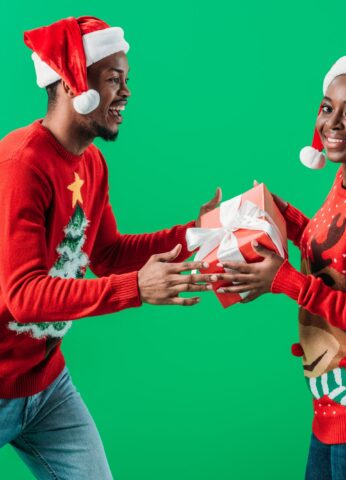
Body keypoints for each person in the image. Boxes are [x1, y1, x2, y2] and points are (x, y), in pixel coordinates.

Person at [0, 16, 220, 479]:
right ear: (72, 82)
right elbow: (23, 296)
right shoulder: (21, 165)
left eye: (126, 80)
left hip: (45, 386)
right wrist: (136, 289)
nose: (127, 93)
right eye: (113, 79)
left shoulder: (92, 163)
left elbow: (107, 254)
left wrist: (192, 234)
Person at [210, 50, 346, 479]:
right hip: (329, 405)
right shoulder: (345, 181)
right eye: (327, 108)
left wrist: (284, 280)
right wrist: (281, 214)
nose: (331, 123)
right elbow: (330, 249)